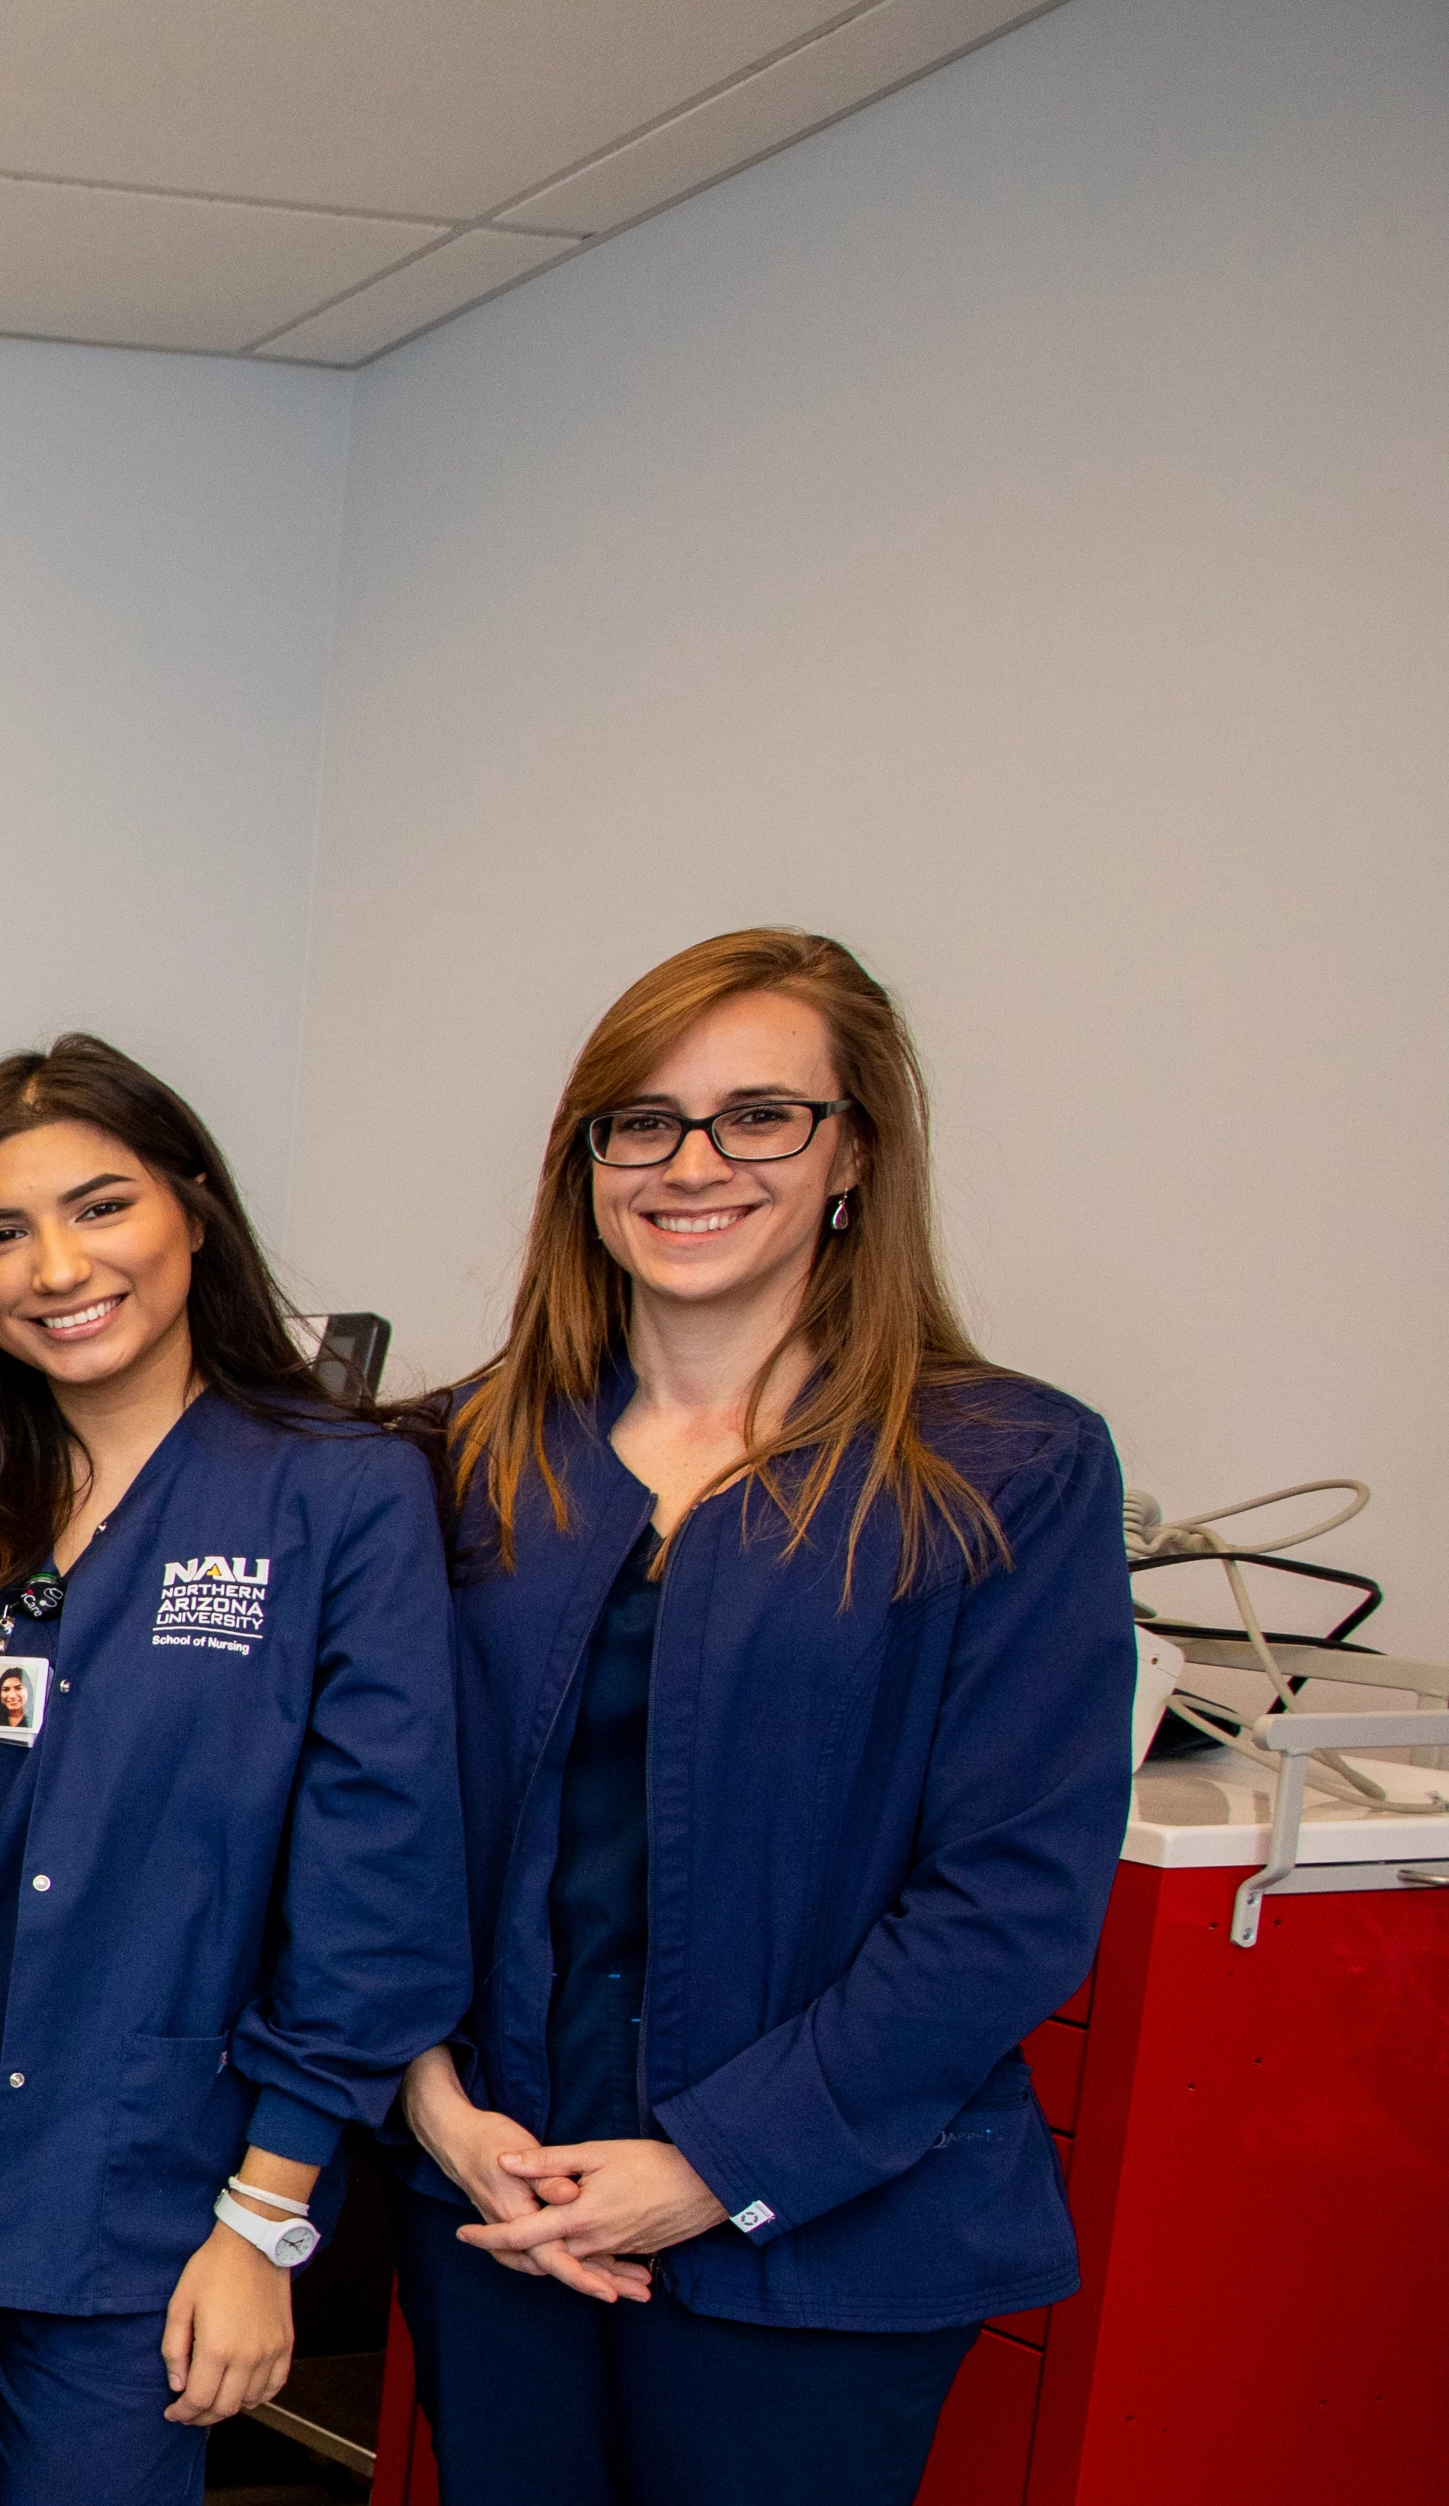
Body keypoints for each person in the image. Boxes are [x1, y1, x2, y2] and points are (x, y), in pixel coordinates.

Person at [391, 933, 1130, 2506]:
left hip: (819, 2242)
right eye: (638, 1121)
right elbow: (371, 1824)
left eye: (757, 1116)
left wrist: (715, 2165)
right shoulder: (458, 1456)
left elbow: (1007, 1896)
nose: (688, 1164)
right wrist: (430, 2100)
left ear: (852, 1148)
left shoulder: (1002, 1468)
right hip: (493, 2197)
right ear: (584, 1161)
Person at [0, 1036, 466, 2506]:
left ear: (190, 1207)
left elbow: (376, 1875)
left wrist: (264, 2221)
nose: (54, 1265)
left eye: (98, 1206)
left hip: (147, 2185)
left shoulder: (332, 1491)